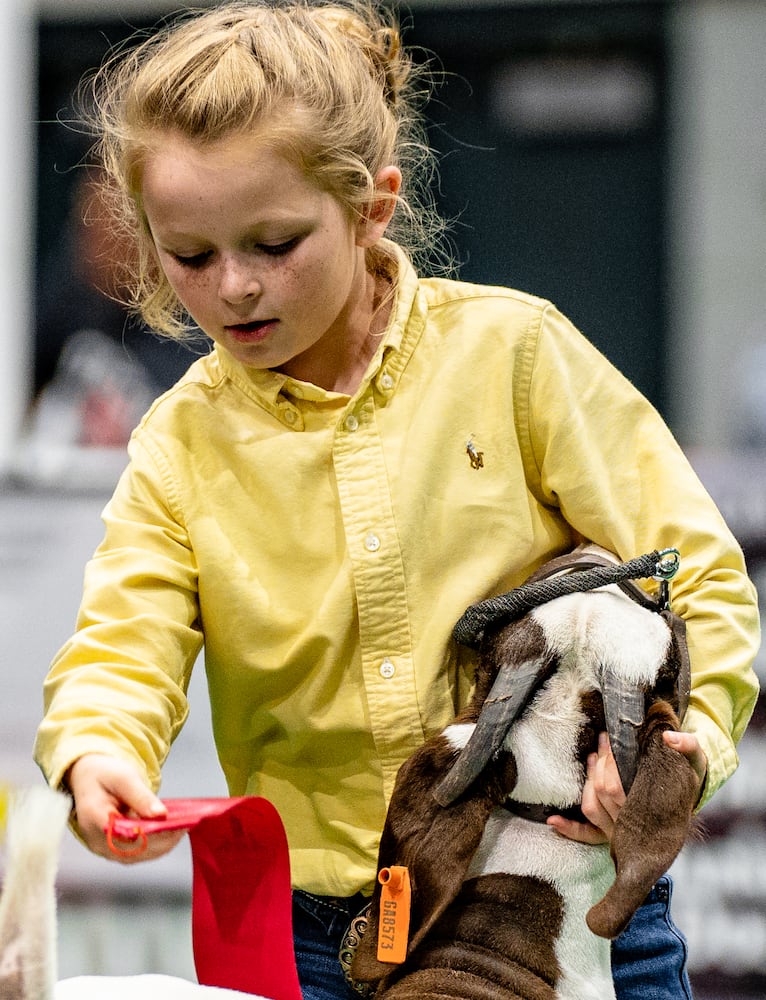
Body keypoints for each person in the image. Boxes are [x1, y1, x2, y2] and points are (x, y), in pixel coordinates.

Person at [33, 2, 759, 998]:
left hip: (572, 899)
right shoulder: (180, 440)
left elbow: (703, 574)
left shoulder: (517, 354)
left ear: (373, 206)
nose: (234, 286)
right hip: (322, 939)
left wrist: (676, 758)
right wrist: (98, 746)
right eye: (190, 256)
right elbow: (125, 633)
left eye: (276, 242)